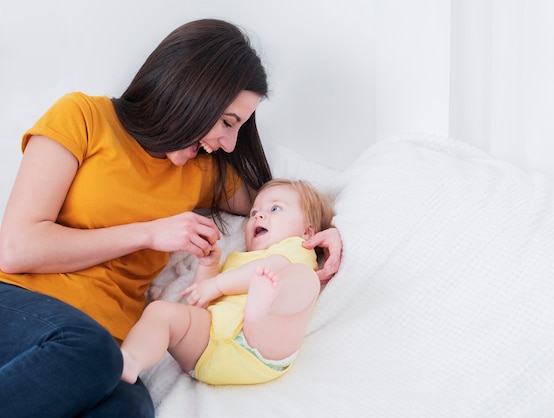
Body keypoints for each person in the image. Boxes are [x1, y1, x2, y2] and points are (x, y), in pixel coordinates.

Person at [0, 19, 342, 418]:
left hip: (106, 352)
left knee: (131, 407)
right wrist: (148, 234)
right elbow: (15, 249)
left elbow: (282, 202)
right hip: (23, 307)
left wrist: (325, 231)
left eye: (239, 128)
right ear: (191, 93)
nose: (229, 144)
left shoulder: (202, 172)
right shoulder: (84, 117)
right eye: (228, 122)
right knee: (88, 349)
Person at [120, 178, 334, 385]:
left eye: (274, 209)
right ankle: (129, 361)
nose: (259, 216)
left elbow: (270, 268)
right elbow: (200, 302)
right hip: (207, 350)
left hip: (261, 348)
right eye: (253, 213)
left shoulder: (297, 248)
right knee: (160, 312)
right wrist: (208, 267)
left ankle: (261, 312)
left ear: (307, 231)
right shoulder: (236, 261)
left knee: (305, 279)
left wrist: (217, 284)